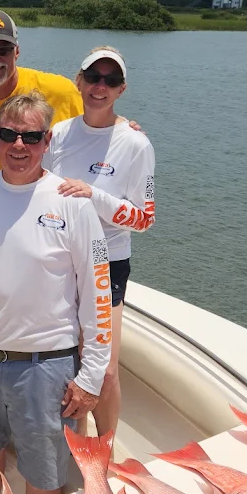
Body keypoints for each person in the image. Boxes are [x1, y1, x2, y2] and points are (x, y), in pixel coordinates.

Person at [0, 91, 111, 494]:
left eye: (31, 137)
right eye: (10, 135)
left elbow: (97, 295)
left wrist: (92, 376)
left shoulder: (74, 204)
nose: (19, 146)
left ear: (47, 142)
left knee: (44, 475)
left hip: (46, 368)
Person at [44, 46, 154, 439]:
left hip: (107, 261)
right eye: (93, 78)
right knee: (66, 357)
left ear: (121, 89)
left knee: (105, 369)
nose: (99, 87)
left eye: (110, 81)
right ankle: (73, 440)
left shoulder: (136, 144)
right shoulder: (57, 134)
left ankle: (105, 451)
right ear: (79, 81)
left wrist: (94, 195)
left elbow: (144, 219)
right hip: (58, 258)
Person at [0, 8, 82, 174]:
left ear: (17, 52)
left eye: (3, 50)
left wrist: (123, 126)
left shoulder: (61, 90)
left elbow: (97, 131)